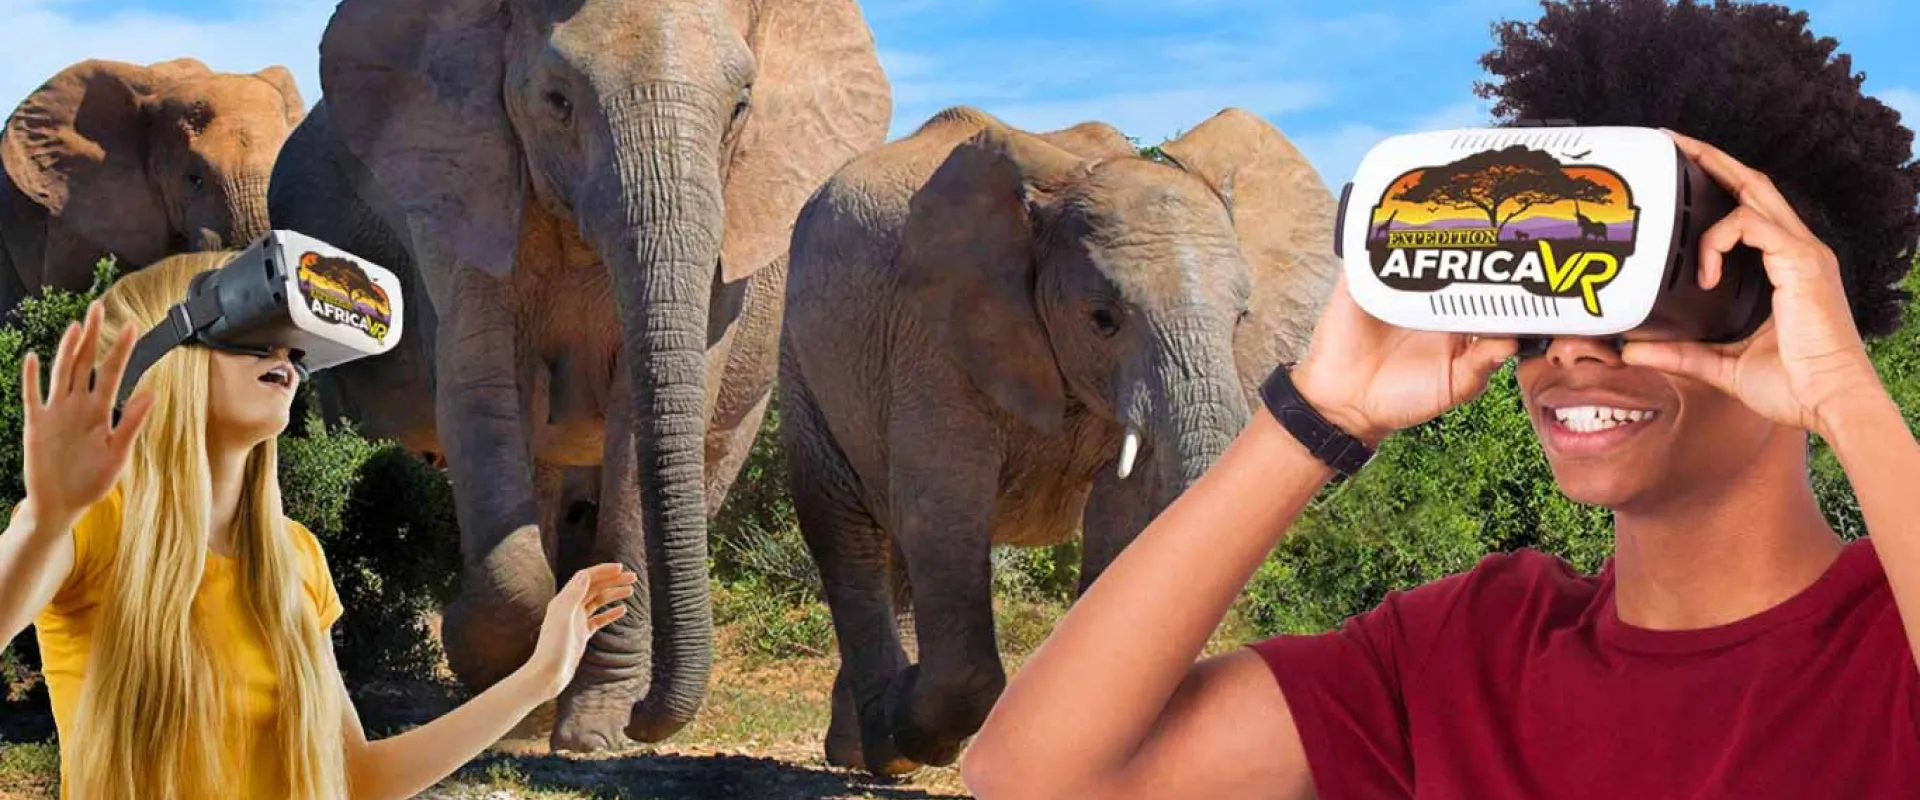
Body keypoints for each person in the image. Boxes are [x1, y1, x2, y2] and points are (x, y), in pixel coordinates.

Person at [958, 3, 1920, 798]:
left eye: (1629, 284)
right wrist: (1320, 413)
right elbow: (1034, 777)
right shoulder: (1463, 656)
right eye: (1541, 282)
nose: (1576, 346)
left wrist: (1845, 397)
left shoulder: (1887, 645)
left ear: (1771, 297)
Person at [0, 252, 639, 800]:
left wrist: (539, 679)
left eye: (291, 343)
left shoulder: (295, 559)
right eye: (254, 328)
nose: (283, 354)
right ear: (162, 356)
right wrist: (48, 518)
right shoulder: (88, 530)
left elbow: (356, 779)